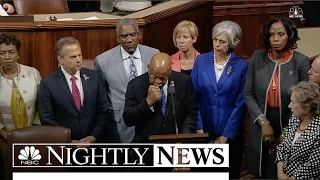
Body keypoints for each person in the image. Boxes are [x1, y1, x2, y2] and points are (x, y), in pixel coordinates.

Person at [244, 17, 310, 179]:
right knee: (260, 169)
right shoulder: (257, 57)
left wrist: (289, 129)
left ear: (289, 35)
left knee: (282, 169)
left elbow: (304, 101)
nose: (275, 39)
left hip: (291, 120)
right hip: (261, 120)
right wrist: (263, 122)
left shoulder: (300, 61)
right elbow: (248, 93)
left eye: (280, 34)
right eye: (272, 34)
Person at [191, 20, 247, 178]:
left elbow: (241, 104)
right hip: (204, 131)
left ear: (233, 43)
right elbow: (193, 96)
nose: (217, 44)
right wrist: (199, 127)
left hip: (229, 135)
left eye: (222, 41)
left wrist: (225, 137)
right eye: (215, 39)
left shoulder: (241, 66)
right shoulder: (201, 61)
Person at [94, 18, 159, 143]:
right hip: (119, 125)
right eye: (123, 36)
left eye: (132, 35)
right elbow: (100, 96)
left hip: (150, 119)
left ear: (139, 34)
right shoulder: (103, 61)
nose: (128, 40)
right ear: (118, 38)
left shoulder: (154, 54)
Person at [38, 37, 111, 146]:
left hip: (94, 144)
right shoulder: (48, 83)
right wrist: (68, 140)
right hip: (64, 146)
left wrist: (94, 136)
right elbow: (47, 118)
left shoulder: (94, 77)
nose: (78, 60)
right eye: (73, 57)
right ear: (60, 59)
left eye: (79, 55)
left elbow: (104, 110)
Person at [123, 52, 197, 142]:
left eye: (162, 78)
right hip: (147, 147)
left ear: (169, 72)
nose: (157, 81)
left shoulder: (184, 82)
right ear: (148, 67)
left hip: (176, 145)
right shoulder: (135, 85)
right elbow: (128, 119)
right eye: (154, 77)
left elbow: (191, 113)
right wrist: (147, 103)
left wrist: (183, 138)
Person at [0, 33, 41, 179]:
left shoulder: (33, 73)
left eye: (11, 52)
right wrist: (6, 135)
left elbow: (41, 106)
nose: (7, 57)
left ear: (18, 53)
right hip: (4, 139)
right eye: (2, 53)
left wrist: (33, 133)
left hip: (33, 137)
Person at [276, 81, 320, 179]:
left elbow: (314, 165)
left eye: (293, 102)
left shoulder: (318, 130)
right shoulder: (294, 120)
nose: (289, 106)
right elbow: (281, 147)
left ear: (306, 107)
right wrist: (280, 171)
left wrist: (294, 178)